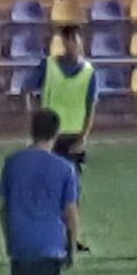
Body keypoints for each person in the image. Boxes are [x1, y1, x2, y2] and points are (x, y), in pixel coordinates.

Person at [0, 110, 80, 275]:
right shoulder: (64, 169)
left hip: (21, 240)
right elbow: (70, 212)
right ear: (56, 134)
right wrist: (72, 243)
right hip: (49, 242)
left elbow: (4, 206)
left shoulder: (13, 162)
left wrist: (9, 239)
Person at [33, 25, 97, 253]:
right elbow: (28, 91)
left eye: (75, 41)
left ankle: (72, 238)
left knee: (72, 191)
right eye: (68, 41)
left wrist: (84, 136)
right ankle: (49, 235)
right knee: (47, 189)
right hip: (49, 137)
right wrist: (34, 122)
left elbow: (91, 106)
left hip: (72, 138)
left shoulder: (89, 72)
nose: (72, 45)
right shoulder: (49, 66)